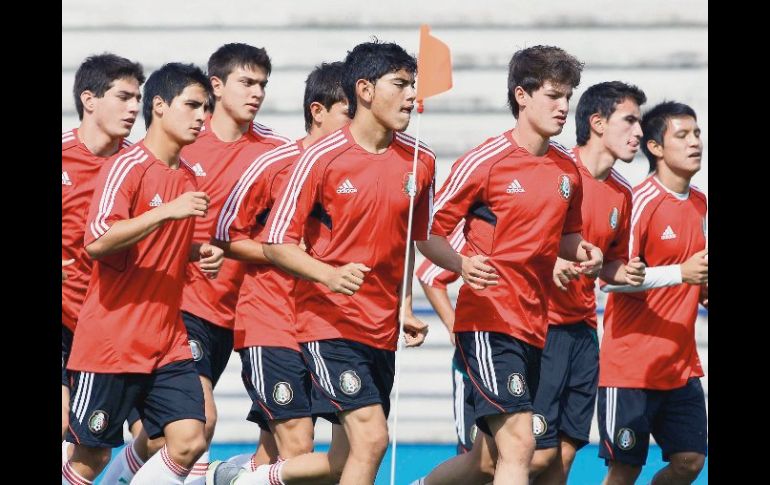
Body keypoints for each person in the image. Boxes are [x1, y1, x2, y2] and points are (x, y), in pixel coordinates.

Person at [208, 39, 433, 485]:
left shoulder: (417, 159)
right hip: (300, 321)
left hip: (371, 323)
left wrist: (404, 302)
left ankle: (247, 479)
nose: (411, 96)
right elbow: (256, 239)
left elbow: (408, 238)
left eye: (413, 85)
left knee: (336, 461)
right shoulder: (301, 160)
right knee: (348, 441)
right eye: (401, 84)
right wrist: (326, 271)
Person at [102, 43, 290, 485]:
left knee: (160, 438)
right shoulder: (181, 140)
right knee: (198, 425)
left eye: (263, 84)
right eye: (246, 82)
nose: (257, 92)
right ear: (217, 86)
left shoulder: (274, 152)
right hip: (180, 306)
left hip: (237, 309)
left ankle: (123, 475)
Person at [413, 45, 602, 484]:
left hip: (535, 323)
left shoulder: (567, 170)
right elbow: (427, 234)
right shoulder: (485, 161)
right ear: (522, 95)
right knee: (520, 443)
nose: (564, 106)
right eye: (554, 95)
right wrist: (461, 263)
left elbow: (566, 237)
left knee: (485, 462)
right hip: (488, 320)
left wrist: (585, 252)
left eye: (568, 95)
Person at [62, 62, 224, 485]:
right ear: (162, 106)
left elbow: (155, 247)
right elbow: (97, 240)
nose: (201, 117)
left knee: (192, 436)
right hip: (111, 338)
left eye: (206, 108)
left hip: (166, 337)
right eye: (192, 105)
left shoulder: (188, 176)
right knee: (89, 457)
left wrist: (195, 252)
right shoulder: (126, 166)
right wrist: (167, 212)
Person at [212, 61, 352, 480]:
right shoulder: (276, 163)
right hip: (270, 322)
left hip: (325, 325)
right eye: (349, 113)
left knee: (273, 455)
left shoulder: (353, 170)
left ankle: (230, 477)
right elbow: (224, 236)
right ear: (318, 111)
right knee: (299, 448)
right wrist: (285, 252)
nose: (355, 125)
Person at [528, 81, 648, 485]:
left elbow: (608, 264)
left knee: (563, 454)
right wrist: (554, 260)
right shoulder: (555, 169)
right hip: (539, 327)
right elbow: (514, 239)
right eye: (629, 121)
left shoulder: (623, 193)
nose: (639, 134)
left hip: (582, 331)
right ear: (597, 123)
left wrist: (625, 273)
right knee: (532, 456)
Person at [597, 101, 708, 485]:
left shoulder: (700, 203)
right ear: (656, 148)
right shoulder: (638, 200)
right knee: (626, 468)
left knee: (690, 461)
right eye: (682, 135)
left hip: (679, 366)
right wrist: (681, 273)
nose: (695, 142)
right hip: (631, 367)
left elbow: (696, 273)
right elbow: (609, 278)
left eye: (696, 133)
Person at [61, 53, 144, 444]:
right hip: (66, 318)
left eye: (138, 99)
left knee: (164, 438)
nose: (134, 108)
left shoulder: (139, 164)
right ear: (89, 100)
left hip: (119, 322)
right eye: (123, 97)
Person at [414, 222, 478, 455]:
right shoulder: (481, 222)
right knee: (478, 460)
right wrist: (453, 325)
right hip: (475, 357)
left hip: (534, 349)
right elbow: (430, 276)